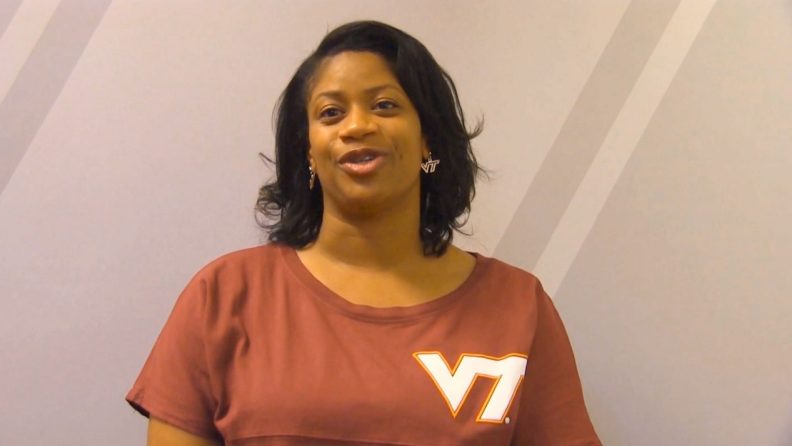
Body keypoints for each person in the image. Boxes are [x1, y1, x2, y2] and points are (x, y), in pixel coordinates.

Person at [126, 20, 601, 446]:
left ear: (427, 139)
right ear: (308, 151)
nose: (357, 125)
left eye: (384, 105)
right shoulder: (225, 296)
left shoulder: (517, 307)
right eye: (331, 113)